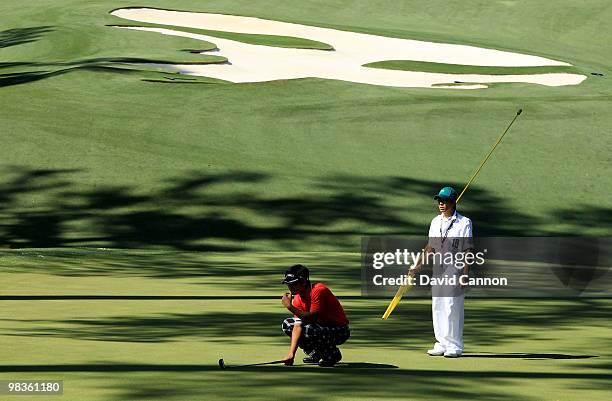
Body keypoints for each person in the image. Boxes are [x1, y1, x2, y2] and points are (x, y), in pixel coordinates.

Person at [410, 186, 473, 358]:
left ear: (454, 202)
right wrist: (418, 264)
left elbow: (467, 250)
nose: (441, 204)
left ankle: (455, 345)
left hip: (456, 267)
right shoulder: (435, 221)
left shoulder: (464, 222)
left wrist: (465, 274)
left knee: (452, 306)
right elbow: (430, 247)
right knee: (438, 305)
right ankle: (441, 342)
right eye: (439, 201)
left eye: (445, 201)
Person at [280, 264, 350, 367]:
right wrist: (291, 354)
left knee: (309, 329)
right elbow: (297, 326)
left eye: (293, 284)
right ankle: (316, 353)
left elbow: (312, 317)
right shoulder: (298, 299)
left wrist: (290, 307)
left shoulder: (318, 290)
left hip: (339, 330)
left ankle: (332, 355)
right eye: (288, 284)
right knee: (288, 324)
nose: (290, 287)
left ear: (303, 282)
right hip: (319, 328)